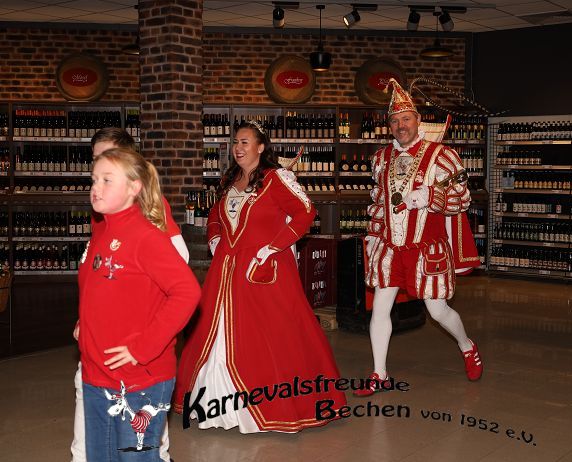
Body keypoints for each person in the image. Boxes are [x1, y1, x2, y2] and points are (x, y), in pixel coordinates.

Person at [174, 121, 346, 432]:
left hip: (263, 270)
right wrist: (215, 238)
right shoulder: (229, 180)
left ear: (261, 147)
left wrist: (273, 247)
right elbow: (215, 215)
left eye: (245, 142)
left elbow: (306, 212)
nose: (238, 148)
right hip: (226, 272)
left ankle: (268, 407)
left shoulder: (276, 178)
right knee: (215, 334)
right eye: (235, 142)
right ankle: (215, 406)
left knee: (272, 338)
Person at [358, 79, 483, 397]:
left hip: (427, 249)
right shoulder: (381, 158)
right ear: (389, 126)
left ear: (417, 120)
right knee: (380, 308)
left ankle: (466, 345)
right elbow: (379, 202)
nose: (401, 126)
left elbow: (462, 199)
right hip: (390, 247)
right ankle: (379, 373)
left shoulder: (442, 156)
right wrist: (373, 235)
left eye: (406, 119)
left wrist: (429, 196)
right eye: (395, 121)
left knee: (438, 311)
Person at [71, 128, 188, 462]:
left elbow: (185, 291)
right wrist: (85, 325)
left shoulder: (146, 235)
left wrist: (144, 347)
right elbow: (100, 290)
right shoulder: (102, 230)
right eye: (94, 179)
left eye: (107, 179)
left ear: (133, 187)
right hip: (97, 374)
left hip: (138, 379)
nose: (96, 187)